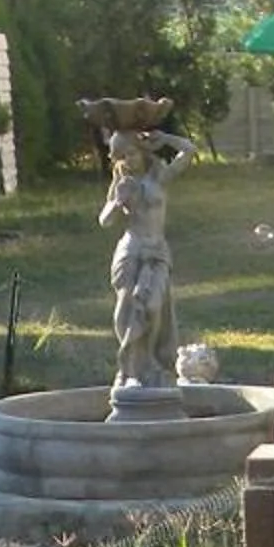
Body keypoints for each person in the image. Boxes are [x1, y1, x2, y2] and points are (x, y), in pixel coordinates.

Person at [93, 114, 196, 396]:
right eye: (122, 156)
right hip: (131, 250)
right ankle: (130, 370)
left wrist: (165, 139)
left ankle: (150, 362)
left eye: (132, 153)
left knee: (152, 307)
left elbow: (189, 151)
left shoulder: (159, 176)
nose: (128, 160)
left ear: (142, 151)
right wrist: (117, 202)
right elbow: (105, 221)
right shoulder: (123, 183)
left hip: (157, 250)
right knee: (127, 307)